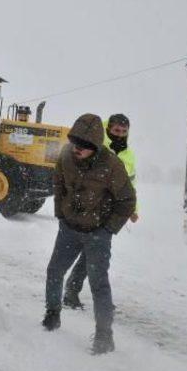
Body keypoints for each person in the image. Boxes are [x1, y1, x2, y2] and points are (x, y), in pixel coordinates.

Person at [42, 113, 136, 355]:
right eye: (75, 143)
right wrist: (60, 214)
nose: (77, 150)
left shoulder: (113, 165)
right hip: (69, 229)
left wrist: (107, 229)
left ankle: (104, 336)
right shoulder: (66, 156)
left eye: (83, 146)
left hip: (97, 233)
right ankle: (52, 313)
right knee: (54, 271)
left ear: (95, 146)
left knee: (98, 284)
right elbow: (58, 183)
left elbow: (127, 201)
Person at [62, 113, 138, 309]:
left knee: (93, 254)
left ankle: (74, 290)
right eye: (116, 131)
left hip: (111, 211)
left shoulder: (129, 155)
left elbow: (130, 184)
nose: (120, 135)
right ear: (108, 130)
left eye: (123, 131)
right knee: (96, 254)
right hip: (90, 208)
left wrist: (133, 208)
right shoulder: (95, 147)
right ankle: (81, 294)